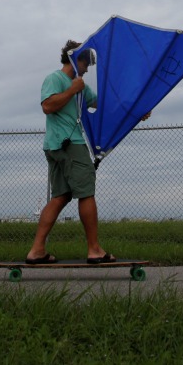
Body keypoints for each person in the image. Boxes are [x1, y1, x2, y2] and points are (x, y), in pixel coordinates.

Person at [25, 39, 149, 264]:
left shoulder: (81, 86)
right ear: (75, 58)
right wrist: (72, 90)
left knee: (60, 197)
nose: (88, 68)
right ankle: (94, 250)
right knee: (86, 193)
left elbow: (106, 105)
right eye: (87, 63)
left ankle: (36, 251)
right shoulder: (56, 79)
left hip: (57, 148)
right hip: (69, 144)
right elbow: (47, 106)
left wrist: (135, 111)